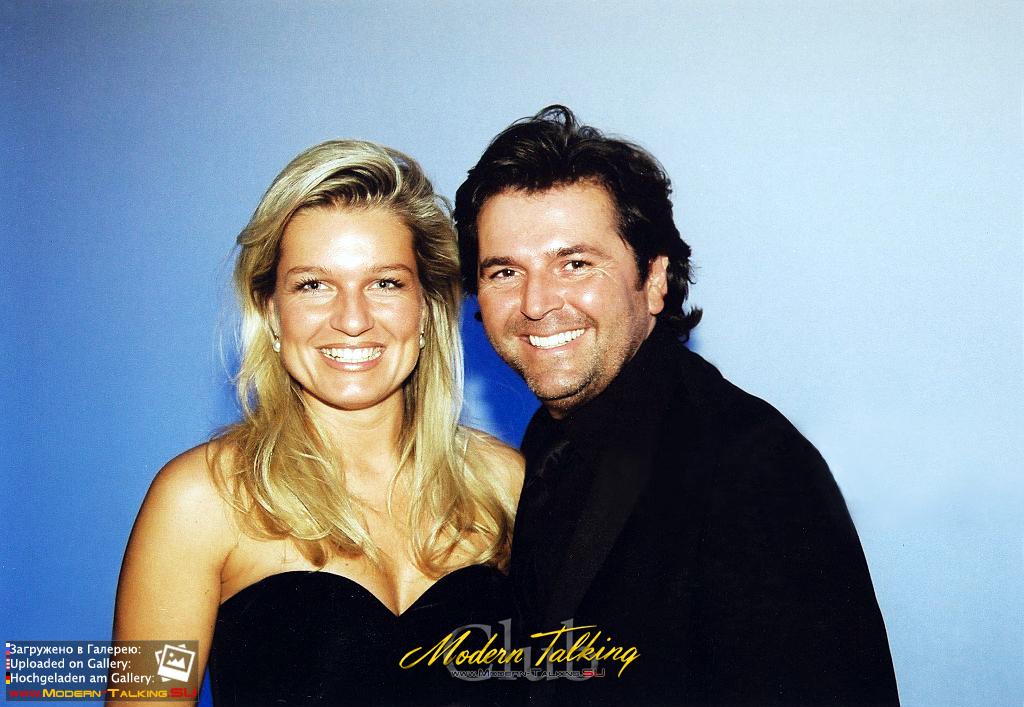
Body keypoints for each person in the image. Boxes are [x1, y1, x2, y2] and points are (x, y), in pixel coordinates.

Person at [454, 106, 900, 706]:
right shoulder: (547, 440)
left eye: (575, 264)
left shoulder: (751, 466)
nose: (537, 303)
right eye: (506, 272)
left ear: (655, 279)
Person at [112, 140, 523, 706]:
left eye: (385, 283)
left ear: (428, 309)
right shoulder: (198, 501)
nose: (352, 319)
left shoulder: (506, 484)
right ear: (271, 313)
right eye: (313, 285)